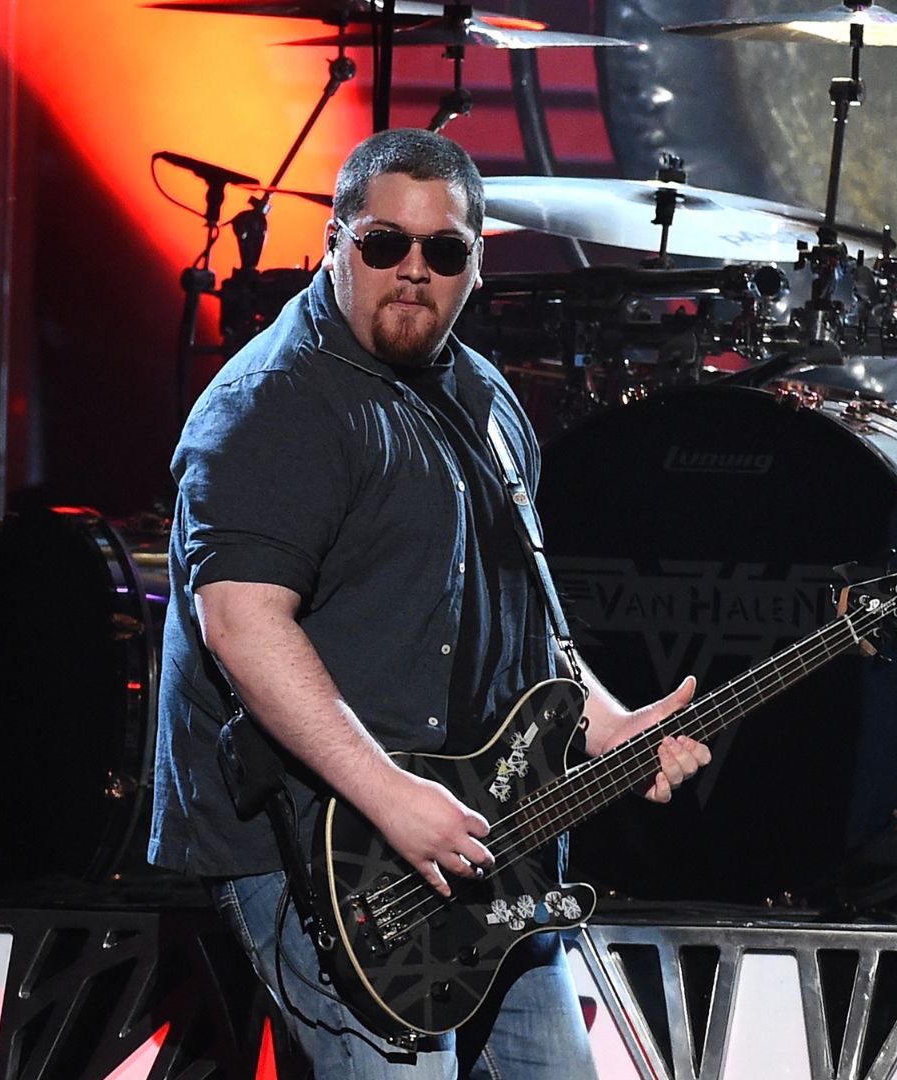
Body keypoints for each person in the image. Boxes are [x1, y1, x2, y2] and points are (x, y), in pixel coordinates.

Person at [150, 128, 710, 1077]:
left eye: (444, 251)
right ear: (336, 244)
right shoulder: (275, 401)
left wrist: (604, 721)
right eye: (384, 244)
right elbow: (242, 623)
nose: (414, 270)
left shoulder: (489, 402)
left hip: (476, 841)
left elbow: (522, 617)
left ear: (476, 266)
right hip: (323, 850)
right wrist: (391, 797)